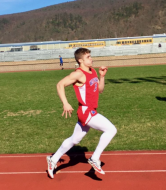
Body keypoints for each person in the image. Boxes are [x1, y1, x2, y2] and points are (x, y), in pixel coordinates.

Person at [47, 48, 117, 179]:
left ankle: (53, 159)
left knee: (75, 139)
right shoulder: (78, 74)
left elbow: (100, 90)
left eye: (91, 56)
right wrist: (65, 103)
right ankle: (95, 158)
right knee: (111, 130)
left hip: (91, 111)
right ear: (80, 60)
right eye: (88, 57)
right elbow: (60, 85)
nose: (91, 59)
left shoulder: (93, 71)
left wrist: (102, 76)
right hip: (86, 111)